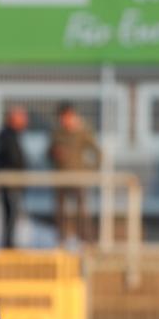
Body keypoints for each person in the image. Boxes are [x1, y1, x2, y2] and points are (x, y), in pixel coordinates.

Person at [48, 102, 101, 245]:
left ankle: (86, 240)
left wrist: (89, 170)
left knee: (82, 211)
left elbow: (97, 153)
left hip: (78, 179)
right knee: (61, 212)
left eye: (67, 116)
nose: (65, 120)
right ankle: (62, 240)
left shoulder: (82, 131)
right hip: (61, 178)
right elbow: (48, 154)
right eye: (62, 117)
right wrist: (55, 153)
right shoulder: (56, 133)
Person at [0, 106, 29, 248]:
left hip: (13, 182)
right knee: (10, 214)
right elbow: (11, 159)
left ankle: (9, 243)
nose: (25, 122)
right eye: (22, 119)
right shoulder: (6, 135)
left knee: (12, 214)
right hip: (10, 182)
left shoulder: (11, 135)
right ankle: (8, 245)